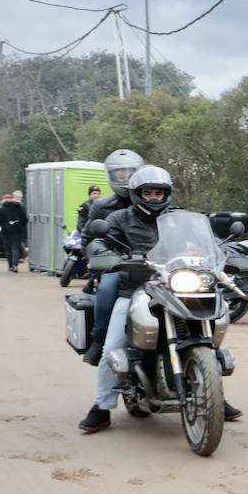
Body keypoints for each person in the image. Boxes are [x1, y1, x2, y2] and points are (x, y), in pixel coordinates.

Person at [77, 165, 242, 433]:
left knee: (206, 338)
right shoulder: (120, 218)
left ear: (167, 194)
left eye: (159, 193)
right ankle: (102, 407)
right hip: (134, 288)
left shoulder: (179, 218)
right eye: (148, 192)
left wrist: (229, 251)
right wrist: (106, 254)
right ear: (136, 194)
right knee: (111, 349)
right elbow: (97, 242)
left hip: (174, 286)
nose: (154, 197)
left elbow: (212, 241)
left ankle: (213, 396)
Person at [81, 150, 144, 366]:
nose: (125, 177)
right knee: (107, 287)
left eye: (130, 172)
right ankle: (99, 340)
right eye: (120, 174)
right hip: (116, 265)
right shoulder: (101, 206)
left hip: (152, 263)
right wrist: (101, 260)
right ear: (111, 176)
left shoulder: (152, 198)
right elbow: (88, 239)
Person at [0, 193, 28, 272]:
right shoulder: (20, 208)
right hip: (17, 232)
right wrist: (21, 226)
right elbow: (25, 220)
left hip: (6, 232)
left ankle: (10, 265)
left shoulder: (2, 209)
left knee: (8, 249)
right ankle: (15, 265)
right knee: (16, 248)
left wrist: (3, 225)